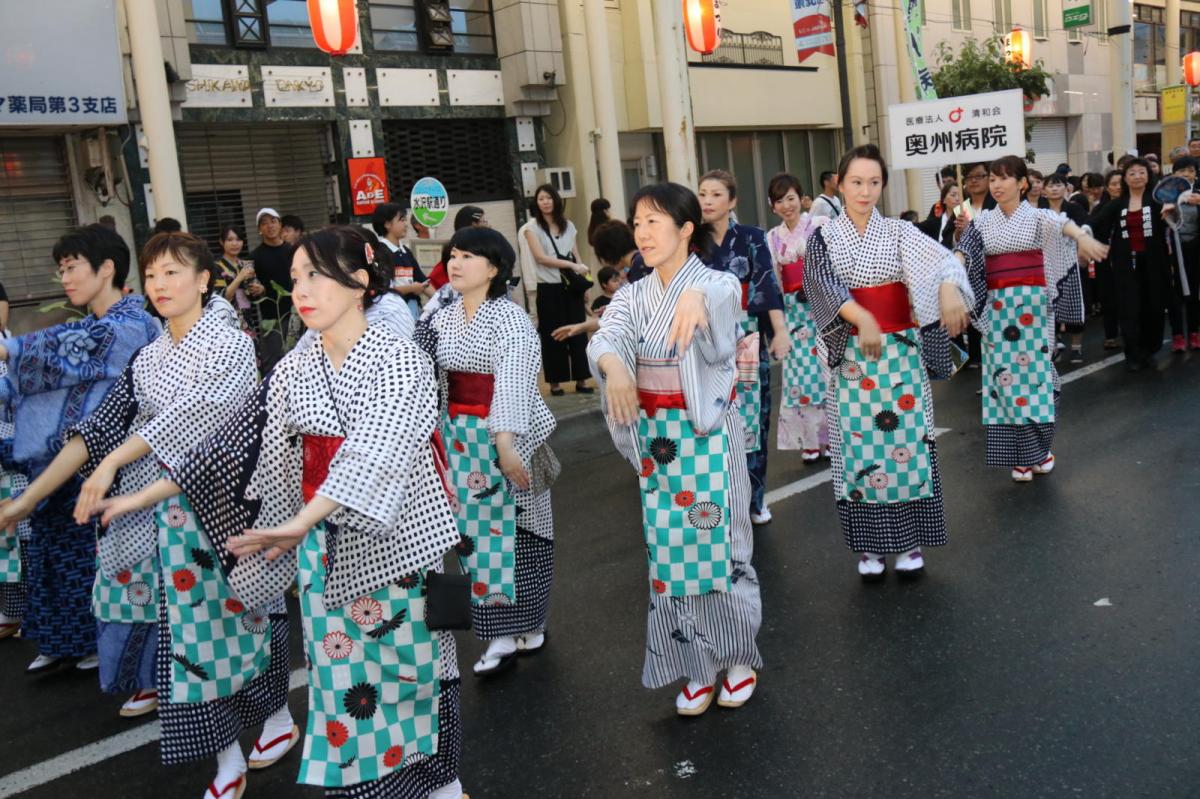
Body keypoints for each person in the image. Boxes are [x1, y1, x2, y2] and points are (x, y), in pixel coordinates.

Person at [101, 226, 469, 799]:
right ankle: (379, 786)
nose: (301, 288)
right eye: (296, 277)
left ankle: (440, 782)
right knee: (344, 686)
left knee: (413, 672)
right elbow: (256, 453)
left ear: (360, 283)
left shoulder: (400, 358)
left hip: (394, 541)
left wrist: (302, 519)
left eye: (316, 276)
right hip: (323, 549)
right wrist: (151, 494)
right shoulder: (295, 368)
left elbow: (377, 448)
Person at [6, 233, 297, 794]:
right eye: (153, 275)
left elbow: (196, 416)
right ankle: (227, 760)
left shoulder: (231, 344)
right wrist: (25, 499)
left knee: (249, 622)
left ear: (205, 279)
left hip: (228, 508)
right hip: (169, 515)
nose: (160, 285)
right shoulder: (149, 354)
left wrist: (115, 459)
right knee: (191, 640)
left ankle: (279, 718)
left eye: (173, 273)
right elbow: (99, 428)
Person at [587, 181, 762, 716]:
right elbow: (606, 336)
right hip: (658, 442)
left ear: (686, 230)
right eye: (637, 222)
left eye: (654, 222)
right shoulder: (633, 295)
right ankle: (695, 664)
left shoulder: (715, 282)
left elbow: (725, 296)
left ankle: (736, 658)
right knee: (668, 555)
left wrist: (695, 294)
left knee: (722, 547)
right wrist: (615, 367)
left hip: (707, 437)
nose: (642, 232)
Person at [803, 144, 971, 580]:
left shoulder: (898, 232)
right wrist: (861, 315)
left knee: (908, 446)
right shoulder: (823, 237)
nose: (865, 191)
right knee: (859, 449)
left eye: (874, 182)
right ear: (839, 184)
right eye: (856, 182)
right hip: (853, 359)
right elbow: (820, 283)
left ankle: (911, 541)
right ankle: (870, 547)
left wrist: (950, 289)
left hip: (900, 355)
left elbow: (943, 263)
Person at [0, 225, 160, 673]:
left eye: (72, 267)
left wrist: (9, 351)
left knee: (121, 570)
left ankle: (130, 665)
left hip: (129, 465)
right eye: (61, 270)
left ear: (107, 268)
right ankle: (75, 644)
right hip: (81, 456)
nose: (65, 278)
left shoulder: (128, 326)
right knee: (67, 557)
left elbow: (57, 354)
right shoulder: (98, 324)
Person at [416, 226, 557, 680]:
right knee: (477, 540)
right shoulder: (442, 314)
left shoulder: (510, 318)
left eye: (467, 256)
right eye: (451, 255)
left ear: (493, 268)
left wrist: (505, 443)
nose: (455, 263)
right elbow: (422, 370)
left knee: (525, 533)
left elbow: (515, 378)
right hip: (458, 437)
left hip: (506, 436)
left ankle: (528, 622)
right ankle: (501, 631)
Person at [955, 156, 1106, 483]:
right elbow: (964, 250)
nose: (996, 185)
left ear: (1022, 184)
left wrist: (1081, 237)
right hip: (998, 309)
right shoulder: (981, 223)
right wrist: (950, 274)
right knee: (1004, 382)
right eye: (992, 179)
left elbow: (1061, 225)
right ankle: (1022, 456)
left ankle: (1038, 451)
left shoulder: (1037, 217)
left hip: (1034, 308)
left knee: (1037, 380)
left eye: (1003, 179)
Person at [697, 170, 790, 525]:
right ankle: (719, 499)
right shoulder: (691, 240)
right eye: (703, 194)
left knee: (751, 417)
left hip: (746, 337)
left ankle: (754, 498)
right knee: (709, 417)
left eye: (716, 194)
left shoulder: (750, 237)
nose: (707, 201)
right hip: (703, 338)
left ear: (732, 201)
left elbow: (767, 285)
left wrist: (779, 331)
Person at [765, 173, 828, 462]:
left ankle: (831, 440)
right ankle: (808, 442)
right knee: (799, 379)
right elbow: (775, 280)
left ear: (802, 198)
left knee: (825, 374)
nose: (787, 205)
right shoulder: (772, 238)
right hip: (792, 312)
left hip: (821, 308)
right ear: (772, 205)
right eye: (780, 200)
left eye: (791, 198)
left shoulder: (819, 225)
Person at [1087, 159, 1169, 371]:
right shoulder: (1117, 203)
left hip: (1154, 263)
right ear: (1125, 178)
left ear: (1149, 176)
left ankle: (1150, 350)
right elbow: (1095, 222)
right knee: (1129, 308)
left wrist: (1174, 209)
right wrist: (1077, 230)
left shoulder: (1158, 200)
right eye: (1132, 173)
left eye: (1142, 172)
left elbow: (1179, 223)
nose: (1137, 176)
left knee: (1154, 306)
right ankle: (1132, 353)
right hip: (1125, 264)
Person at [524, 184, 593, 396]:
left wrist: (584, 280)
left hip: (571, 287)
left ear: (556, 200)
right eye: (540, 198)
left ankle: (582, 379)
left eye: (548, 198)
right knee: (552, 335)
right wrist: (572, 266)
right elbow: (540, 258)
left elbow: (576, 255)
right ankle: (555, 382)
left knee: (578, 333)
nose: (545, 202)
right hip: (548, 288)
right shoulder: (531, 228)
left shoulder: (569, 226)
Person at [1041, 174, 1090, 364]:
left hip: (1072, 264)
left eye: (1058, 185)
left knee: (1075, 305)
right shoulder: (1039, 211)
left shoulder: (1074, 208)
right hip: (1046, 264)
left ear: (1066, 188)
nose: (1054, 189)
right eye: (1050, 185)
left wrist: (1083, 249)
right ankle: (1052, 347)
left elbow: (1085, 227)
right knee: (1049, 308)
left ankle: (1076, 348)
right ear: (1044, 190)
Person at [249, 208, 295, 372]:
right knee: (273, 361)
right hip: (271, 318)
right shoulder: (255, 256)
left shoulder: (293, 251)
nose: (270, 226)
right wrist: (259, 289)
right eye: (264, 223)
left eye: (273, 221)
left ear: (280, 224)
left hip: (296, 313)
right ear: (259, 230)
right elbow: (251, 290)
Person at [1163, 156, 1200, 351]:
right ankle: (1177, 335)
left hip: (1194, 247)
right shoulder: (1163, 194)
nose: (1186, 174)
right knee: (1174, 294)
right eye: (1181, 171)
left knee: (1195, 291)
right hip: (1171, 248)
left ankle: (1194, 332)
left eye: (1191, 170)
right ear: (1174, 174)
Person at [372, 203, 431, 320]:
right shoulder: (380, 252)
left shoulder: (406, 251)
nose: (406, 225)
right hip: (393, 315)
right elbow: (383, 289)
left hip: (413, 310)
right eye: (402, 220)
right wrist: (411, 288)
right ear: (387, 224)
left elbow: (422, 281)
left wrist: (441, 299)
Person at [213, 225, 263, 346]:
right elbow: (221, 296)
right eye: (230, 240)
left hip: (247, 317)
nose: (235, 243)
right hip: (228, 318)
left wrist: (260, 290)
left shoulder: (245, 264)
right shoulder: (216, 266)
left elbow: (254, 295)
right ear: (221, 242)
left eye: (238, 239)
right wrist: (239, 277)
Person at [920, 180, 961, 247]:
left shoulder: (966, 220)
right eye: (953, 195)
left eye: (960, 196)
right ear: (944, 200)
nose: (957, 199)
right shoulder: (933, 223)